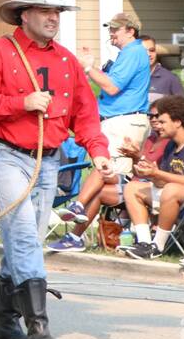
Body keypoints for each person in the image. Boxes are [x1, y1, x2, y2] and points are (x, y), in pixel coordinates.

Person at [0, 0, 112, 339]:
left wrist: (97, 150)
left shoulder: (67, 61)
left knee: (24, 238)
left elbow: (85, 113)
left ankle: (5, 325)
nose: (53, 17)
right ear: (23, 14)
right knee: (25, 233)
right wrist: (20, 103)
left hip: (49, 161)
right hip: (7, 154)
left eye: (57, 11)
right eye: (45, 10)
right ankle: (39, 329)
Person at [47, 103, 170, 252]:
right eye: (151, 115)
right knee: (101, 170)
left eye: (159, 117)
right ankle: (78, 207)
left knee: (99, 192)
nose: (154, 119)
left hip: (150, 188)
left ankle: (75, 237)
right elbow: (138, 172)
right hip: (136, 181)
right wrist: (134, 157)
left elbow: (160, 175)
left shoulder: (171, 143)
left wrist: (139, 156)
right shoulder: (151, 138)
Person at [121, 94, 184, 259]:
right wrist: (145, 167)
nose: (158, 126)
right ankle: (144, 243)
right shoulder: (172, 145)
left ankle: (158, 246)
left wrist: (157, 173)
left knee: (171, 189)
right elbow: (163, 180)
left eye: (162, 122)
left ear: (177, 122)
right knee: (132, 187)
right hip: (178, 195)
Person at [75, 11, 150, 183]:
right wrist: (92, 67)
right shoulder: (130, 52)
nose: (111, 32)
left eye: (116, 29)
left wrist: (88, 68)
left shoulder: (133, 52)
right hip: (123, 121)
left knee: (114, 179)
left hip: (123, 122)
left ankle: (83, 208)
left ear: (131, 31)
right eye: (110, 29)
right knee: (114, 178)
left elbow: (111, 87)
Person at [140, 35, 184, 102]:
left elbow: (183, 108)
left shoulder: (170, 78)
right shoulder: (128, 77)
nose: (148, 54)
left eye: (152, 50)